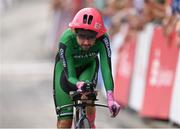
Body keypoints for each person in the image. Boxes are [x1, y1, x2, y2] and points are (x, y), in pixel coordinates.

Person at [53, 7, 121, 128]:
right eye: (82, 36)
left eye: (90, 37)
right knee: (65, 122)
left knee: (88, 97)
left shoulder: (103, 39)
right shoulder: (66, 40)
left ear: (98, 35)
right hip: (67, 72)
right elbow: (71, 76)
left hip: (88, 68)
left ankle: (90, 124)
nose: (86, 42)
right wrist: (78, 84)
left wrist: (111, 98)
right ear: (75, 32)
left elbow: (106, 69)